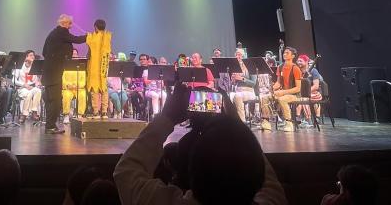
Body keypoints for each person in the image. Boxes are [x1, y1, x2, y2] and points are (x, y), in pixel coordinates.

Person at [113, 81, 287, 205]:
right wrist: (233, 121)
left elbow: (126, 171)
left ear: (193, 172)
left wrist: (168, 117)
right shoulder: (272, 200)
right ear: (255, 175)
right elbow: (268, 179)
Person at [42, 14, 87, 133]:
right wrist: (90, 36)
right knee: (55, 100)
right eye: (70, 23)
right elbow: (76, 39)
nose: (71, 26)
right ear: (64, 23)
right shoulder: (61, 32)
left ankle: (51, 126)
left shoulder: (54, 33)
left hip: (50, 72)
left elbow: (44, 51)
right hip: (53, 73)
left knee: (53, 100)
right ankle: (50, 126)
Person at [262, 46, 302, 132]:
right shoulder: (280, 67)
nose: (284, 54)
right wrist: (272, 88)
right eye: (284, 53)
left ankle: (289, 123)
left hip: (294, 95)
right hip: (283, 93)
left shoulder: (295, 68)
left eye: (287, 53)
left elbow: (298, 89)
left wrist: (283, 92)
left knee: (282, 99)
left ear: (293, 56)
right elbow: (278, 83)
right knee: (265, 97)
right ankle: (266, 121)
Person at [86, 19, 112, 118]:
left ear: (95, 27)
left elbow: (89, 53)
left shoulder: (92, 37)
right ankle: (104, 112)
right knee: (104, 88)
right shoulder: (107, 36)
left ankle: (96, 112)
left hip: (94, 66)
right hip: (104, 66)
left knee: (94, 89)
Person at [14, 50, 42, 123]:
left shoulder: (34, 67)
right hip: (22, 88)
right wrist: (24, 85)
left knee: (38, 91)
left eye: (33, 55)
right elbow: (14, 80)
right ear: (26, 57)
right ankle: (24, 114)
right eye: (30, 55)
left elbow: (36, 80)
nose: (33, 57)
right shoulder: (19, 66)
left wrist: (37, 84)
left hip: (31, 88)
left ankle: (34, 111)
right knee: (28, 94)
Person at [231, 47, 257, 123]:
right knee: (226, 97)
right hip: (237, 90)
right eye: (236, 55)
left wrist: (242, 79)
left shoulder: (250, 66)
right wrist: (233, 80)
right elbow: (233, 84)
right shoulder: (234, 67)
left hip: (249, 91)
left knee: (237, 96)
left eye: (240, 55)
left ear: (244, 56)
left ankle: (242, 121)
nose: (238, 56)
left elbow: (253, 83)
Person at [296, 54, 323, 126]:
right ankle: (298, 118)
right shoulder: (298, 71)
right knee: (298, 97)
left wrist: (305, 91)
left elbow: (316, 86)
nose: (298, 62)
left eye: (300, 61)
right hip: (302, 93)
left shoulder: (313, 71)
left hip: (315, 93)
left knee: (303, 98)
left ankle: (309, 120)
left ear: (306, 62)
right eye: (298, 61)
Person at [62, 47, 87, 124]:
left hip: (79, 88)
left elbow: (83, 80)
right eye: (73, 54)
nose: (74, 55)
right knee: (66, 96)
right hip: (68, 88)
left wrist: (78, 85)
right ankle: (66, 115)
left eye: (76, 54)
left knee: (83, 95)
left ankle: (80, 115)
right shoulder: (65, 66)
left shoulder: (81, 66)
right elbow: (63, 78)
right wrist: (67, 85)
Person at [108, 52, 130, 117]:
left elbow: (122, 61)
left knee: (124, 98)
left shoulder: (118, 66)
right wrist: (111, 86)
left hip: (119, 87)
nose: (111, 59)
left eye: (112, 58)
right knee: (115, 97)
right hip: (109, 87)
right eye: (109, 58)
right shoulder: (105, 67)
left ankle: (117, 111)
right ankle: (120, 111)